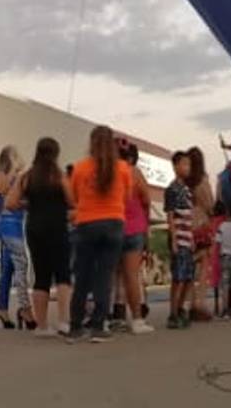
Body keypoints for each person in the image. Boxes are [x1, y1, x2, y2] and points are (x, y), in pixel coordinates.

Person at [67, 126, 131, 342]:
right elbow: (127, 197)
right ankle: (98, 326)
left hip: (87, 223)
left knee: (83, 277)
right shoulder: (122, 168)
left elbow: (74, 197)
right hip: (114, 223)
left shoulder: (80, 168)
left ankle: (76, 327)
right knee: (105, 276)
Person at [7, 137, 75, 337]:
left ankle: (42, 326)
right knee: (63, 274)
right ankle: (63, 321)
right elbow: (73, 201)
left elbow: (10, 203)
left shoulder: (27, 177)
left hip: (35, 228)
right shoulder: (60, 177)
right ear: (56, 154)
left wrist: (28, 204)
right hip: (58, 227)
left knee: (41, 276)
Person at [114, 142, 153, 334]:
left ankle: (117, 315)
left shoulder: (108, 173)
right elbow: (146, 199)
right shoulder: (135, 173)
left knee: (114, 276)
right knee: (132, 276)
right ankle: (137, 319)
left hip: (114, 227)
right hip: (135, 228)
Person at [0, 145, 33, 330]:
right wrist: (14, 174)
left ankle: (2, 309)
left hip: (12, 224)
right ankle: (25, 308)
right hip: (10, 226)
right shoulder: (7, 175)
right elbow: (2, 190)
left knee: (8, 269)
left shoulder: (16, 176)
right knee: (21, 265)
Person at [165, 151, 196, 329]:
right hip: (178, 238)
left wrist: (191, 237)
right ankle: (173, 313)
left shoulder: (187, 191)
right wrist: (174, 239)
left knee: (188, 277)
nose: (187, 168)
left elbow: (190, 216)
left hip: (188, 238)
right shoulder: (172, 190)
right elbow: (170, 216)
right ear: (175, 166)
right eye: (184, 164)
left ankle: (181, 308)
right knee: (178, 278)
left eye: (188, 164)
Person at [185, 146, 216, 321]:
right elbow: (210, 205)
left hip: (186, 226)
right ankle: (200, 302)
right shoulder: (202, 182)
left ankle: (191, 302)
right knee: (204, 266)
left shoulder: (184, 183)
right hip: (201, 224)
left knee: (189, 266)